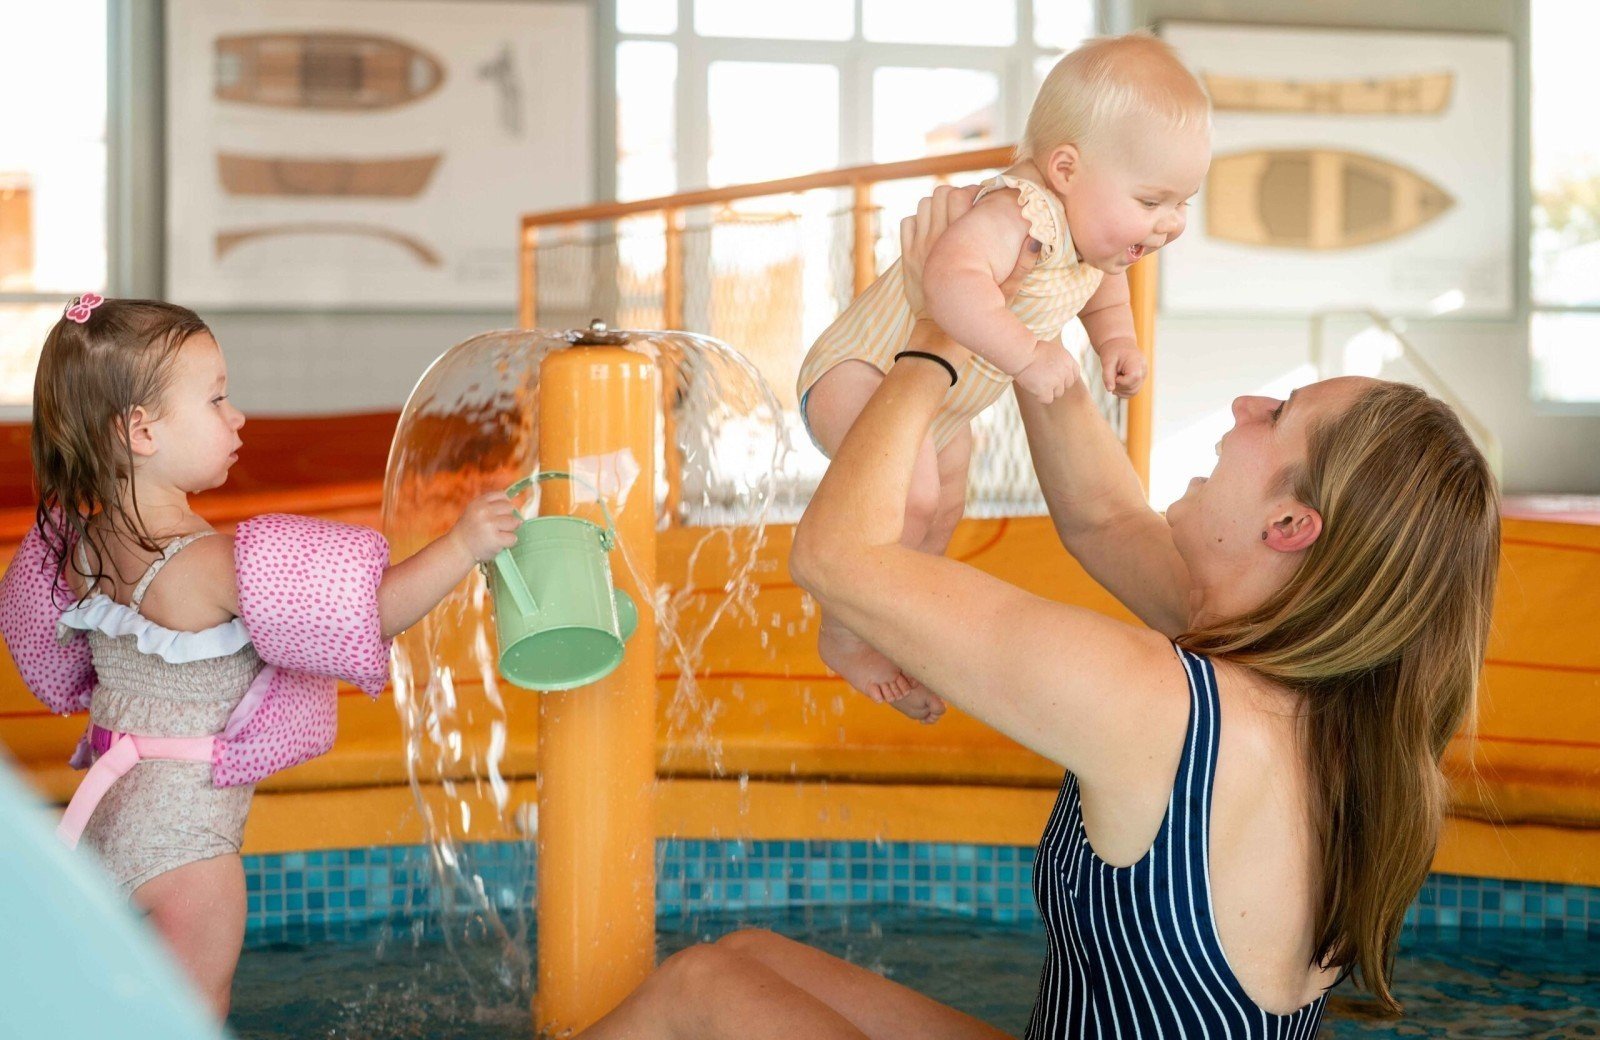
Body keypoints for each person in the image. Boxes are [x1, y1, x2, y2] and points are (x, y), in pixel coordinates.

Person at [576, 186, 1500, 1038]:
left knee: (698, 992)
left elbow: (837, 558)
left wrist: (935, 338)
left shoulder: (1160, 706)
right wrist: (1018, 297)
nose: (1246, 402)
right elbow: (1101, 516)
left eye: (1280, 413)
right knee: (747, 960)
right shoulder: (1319, 703)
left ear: (1292, 525)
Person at [0, 296, 521, 1017]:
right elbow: (366, 615)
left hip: (106, 823)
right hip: (188, 849)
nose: (237, 415)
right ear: (140, 431)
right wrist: (462, 545)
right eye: (216, 399)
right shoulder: (207, 564)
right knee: (188, 1017)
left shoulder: (80, 547)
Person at [795, 32, 1211, 723]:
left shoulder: (1093, 240)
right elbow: (950, 281)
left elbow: (1100, 289)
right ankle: (844, 629)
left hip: (940, 406)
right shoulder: (1019, 212)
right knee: (916, 497)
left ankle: (894, 624)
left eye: (1182, 204)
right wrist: (1026, 353)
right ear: (1067, 168)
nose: (1169, 225)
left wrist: (1116, 343)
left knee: (943, 507)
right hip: (860, 372)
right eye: (1152, 201)